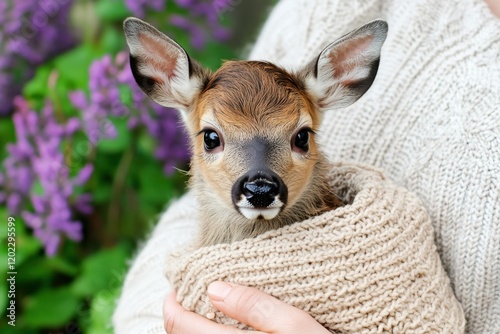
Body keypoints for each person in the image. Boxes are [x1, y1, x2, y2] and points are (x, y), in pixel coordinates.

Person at [113, 0, 500, 333]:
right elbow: (184, 225)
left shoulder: (367, 242)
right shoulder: (317, 9)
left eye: (298, 140)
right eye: (214, 140)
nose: (260, 180)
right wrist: (160, 323)